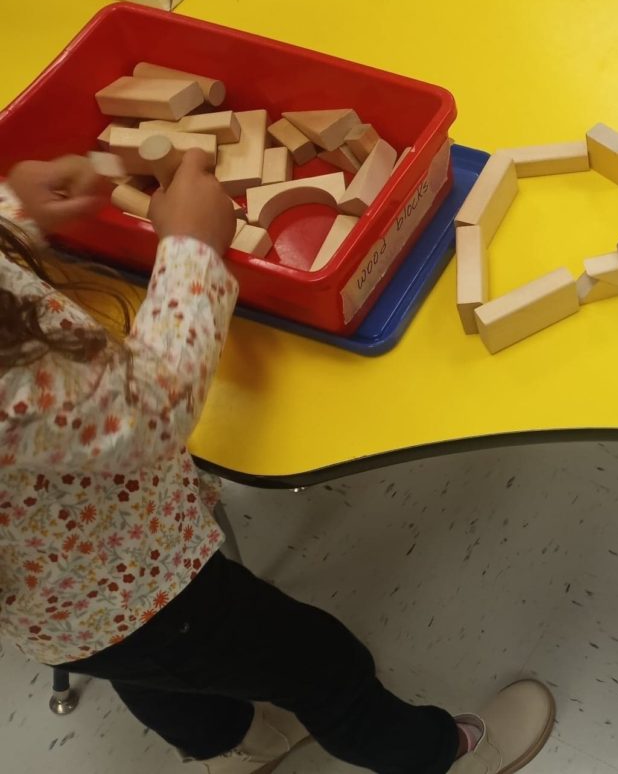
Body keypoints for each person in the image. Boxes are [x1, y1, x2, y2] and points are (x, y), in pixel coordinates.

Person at [0, 150, 554, 774]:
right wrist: (192, 249)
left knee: (148, 671)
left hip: (71, 607)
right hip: (137, 582)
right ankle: (439, 757)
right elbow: (149, 411)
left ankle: (236, 744)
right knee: (321, 666)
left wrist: (16, 210)